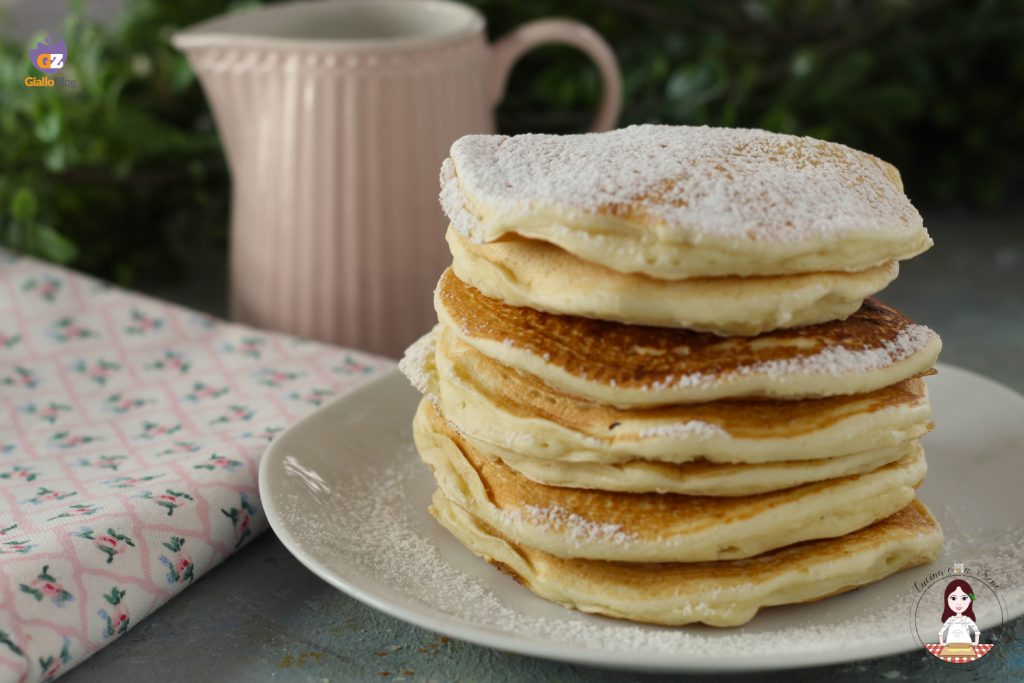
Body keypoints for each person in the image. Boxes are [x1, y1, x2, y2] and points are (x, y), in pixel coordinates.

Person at [938, 579, 981, 648]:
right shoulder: (951, 619)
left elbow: (977, 631)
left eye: (964, 598)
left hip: (965, 645)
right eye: (953, 598)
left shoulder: (966, 619)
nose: (958, 603)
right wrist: (942, 643)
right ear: (947, 600)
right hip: (951, 646)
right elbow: (941, 632)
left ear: (970, 600)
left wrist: (976, 643)